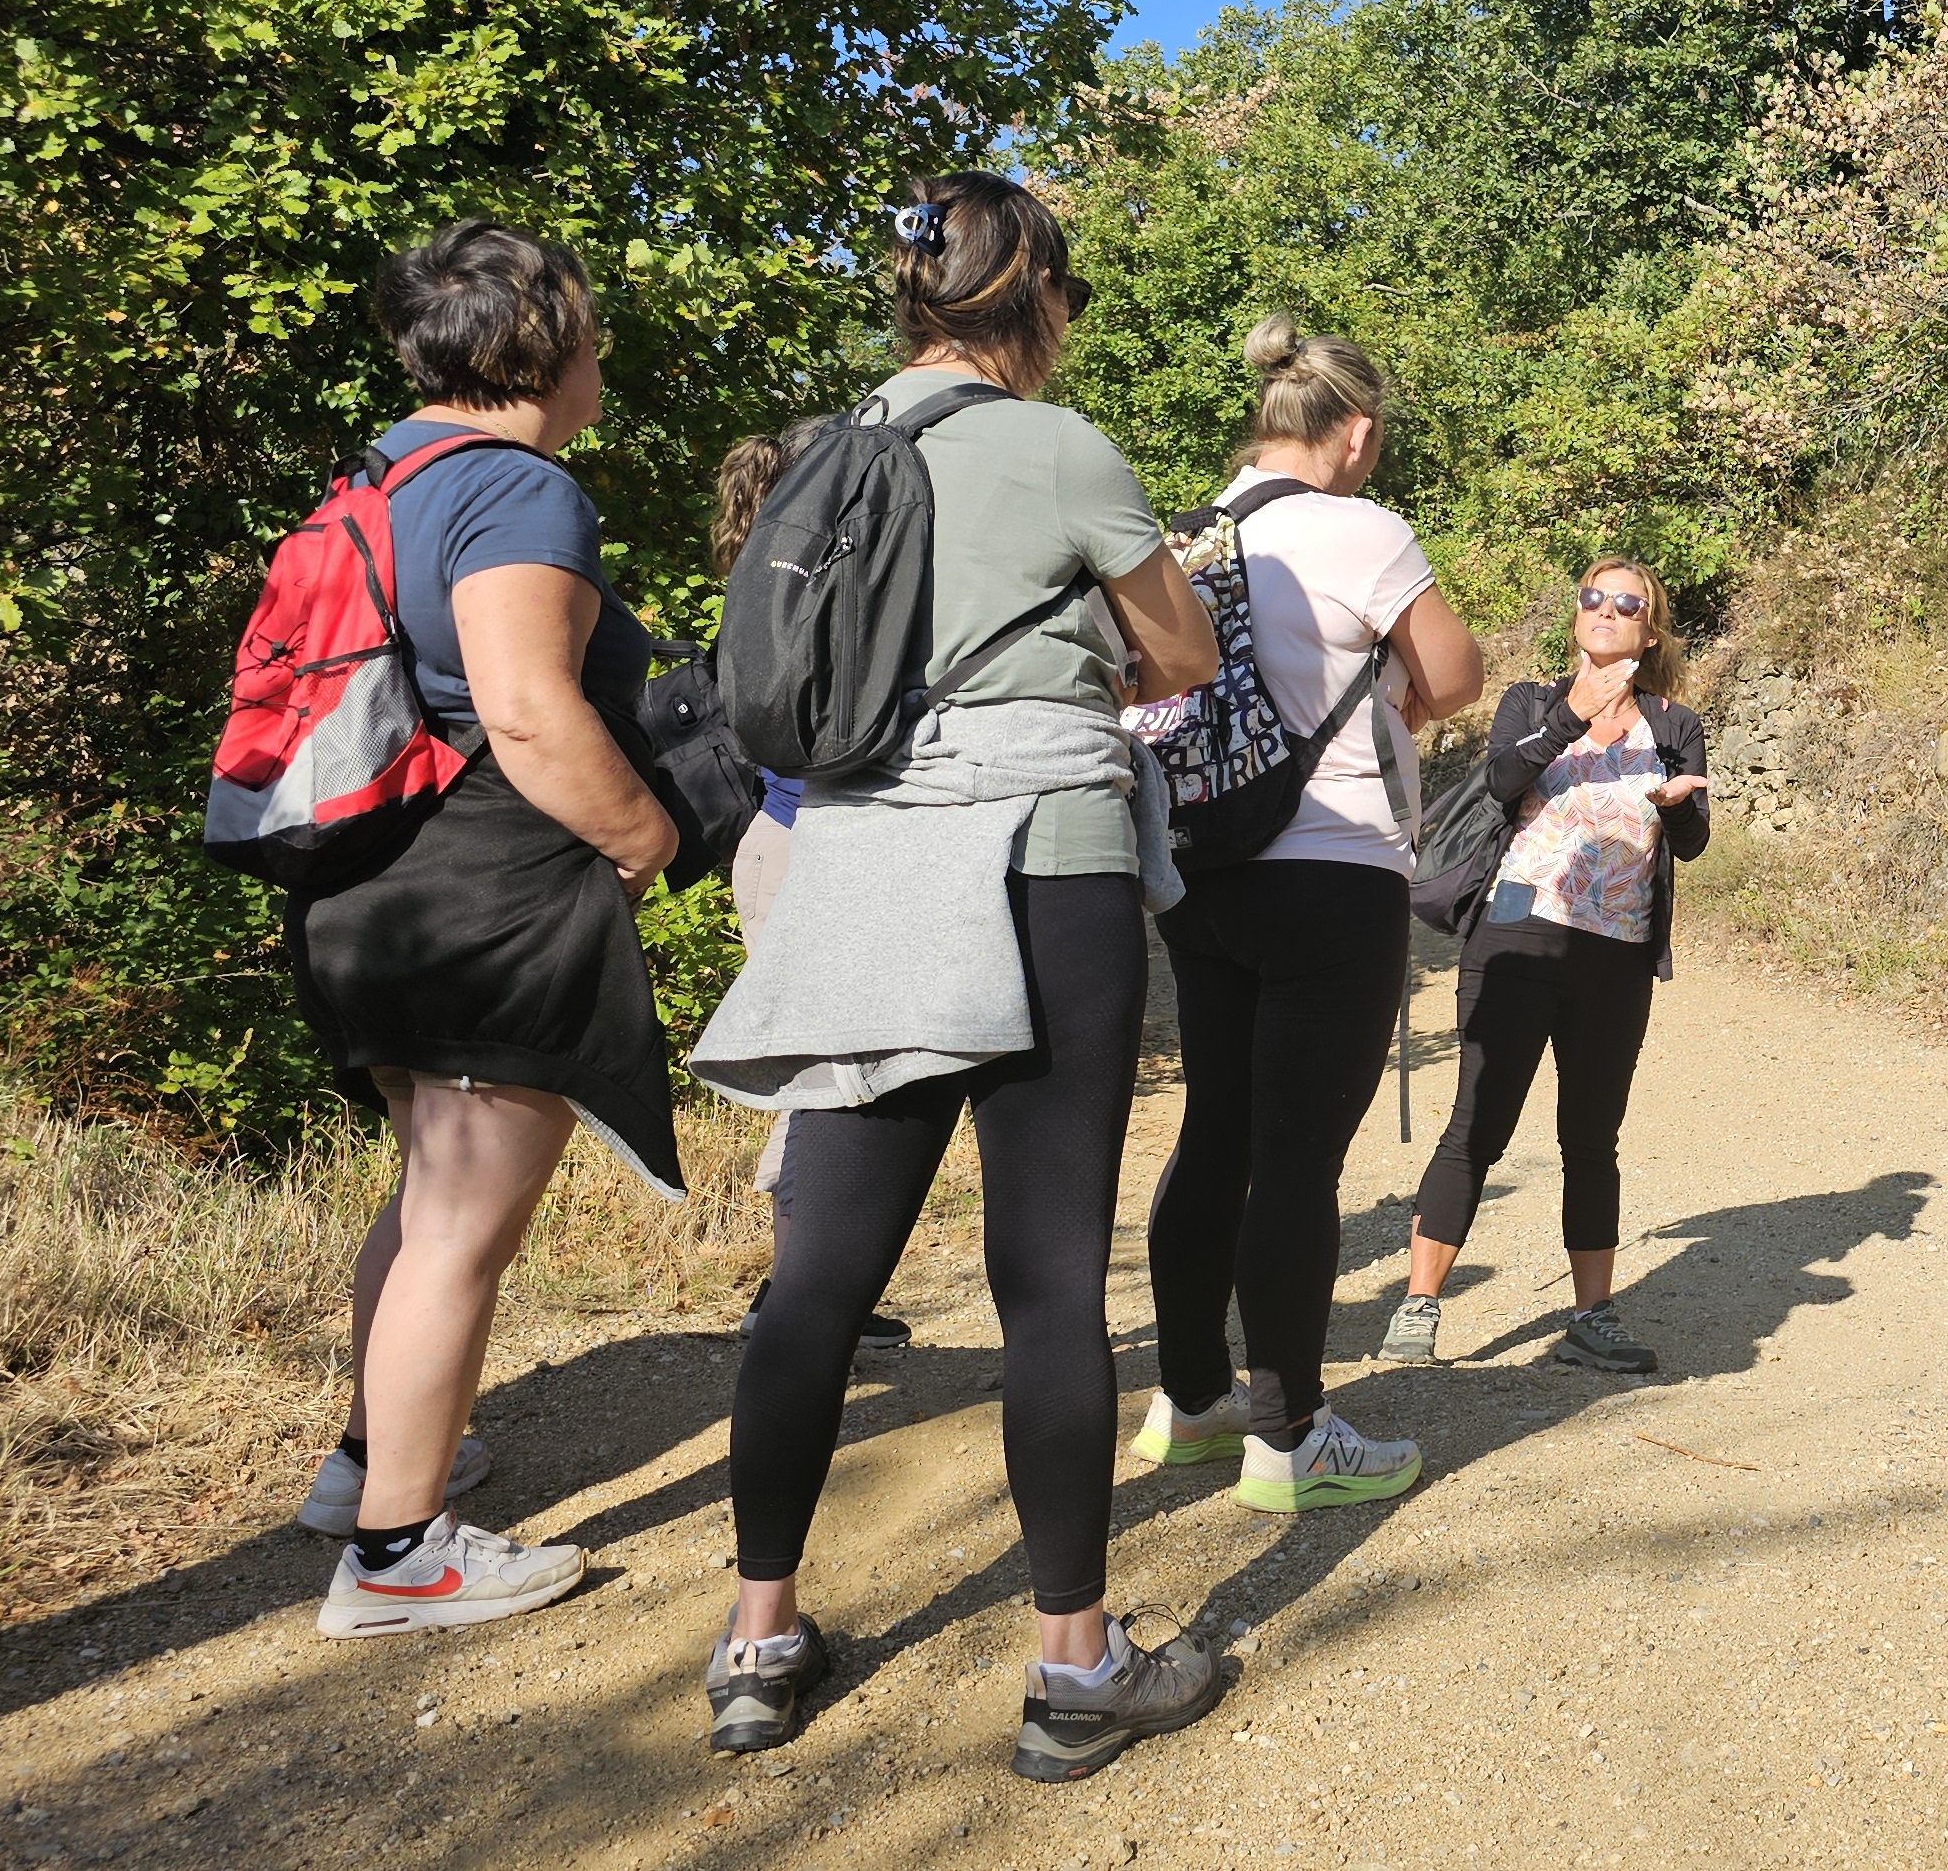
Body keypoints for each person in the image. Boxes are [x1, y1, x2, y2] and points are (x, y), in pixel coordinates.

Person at [687, 172, 1226, 1778]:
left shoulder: (820, 447)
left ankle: (756, 1642)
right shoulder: (1061, 450)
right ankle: (1074, 1672)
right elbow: (1184, 656)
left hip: (858, 879)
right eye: (1066, 295)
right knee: (1049, 1270)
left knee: (821, 1279)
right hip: (1041, 862)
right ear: (1033, 295)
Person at [287, 221, 684, 1640]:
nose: (607, 354)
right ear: (549, 339)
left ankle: (369, 1469)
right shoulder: (517, 490)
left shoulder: (385, 475)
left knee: (426, 1199)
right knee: (464, 1223)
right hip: (486, 892)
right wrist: (641, 837)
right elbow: (524, 706)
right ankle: (400, 1555)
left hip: (368, 882)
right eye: (594, 326)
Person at [1128, 313, 1485, 1510]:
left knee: (1214, 1132)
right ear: (1357, 433)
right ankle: (1291, 1438)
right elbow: (1455, 676)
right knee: (1298, 1157)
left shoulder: (1189, 529)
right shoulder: (1362, 528)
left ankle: (1188, 1403)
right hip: (1328, 869)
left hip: (1203, 868)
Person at [1378, 558, 1712, 1373]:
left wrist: (1677, 806)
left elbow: (1695, 841)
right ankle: (1420, 1305)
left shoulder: (1674, 724)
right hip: (1518, 937)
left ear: (1648, 630)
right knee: (1477, 1127)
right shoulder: (1533, 702)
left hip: (1617, 956)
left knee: (1592, 1140)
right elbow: (1501, 780)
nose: (1605, 609)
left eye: (1625, 602)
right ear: (1576, 618)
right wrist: (1573, 714)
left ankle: (1590, 1317)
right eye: (1592, 597)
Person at [703, 423, 905, 1352]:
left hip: (779, 846)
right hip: (804, 852)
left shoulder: (766, 590)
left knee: (823, 1081)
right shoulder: (815, 593)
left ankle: (809, 1297)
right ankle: (796, 1306)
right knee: (821, 1087)